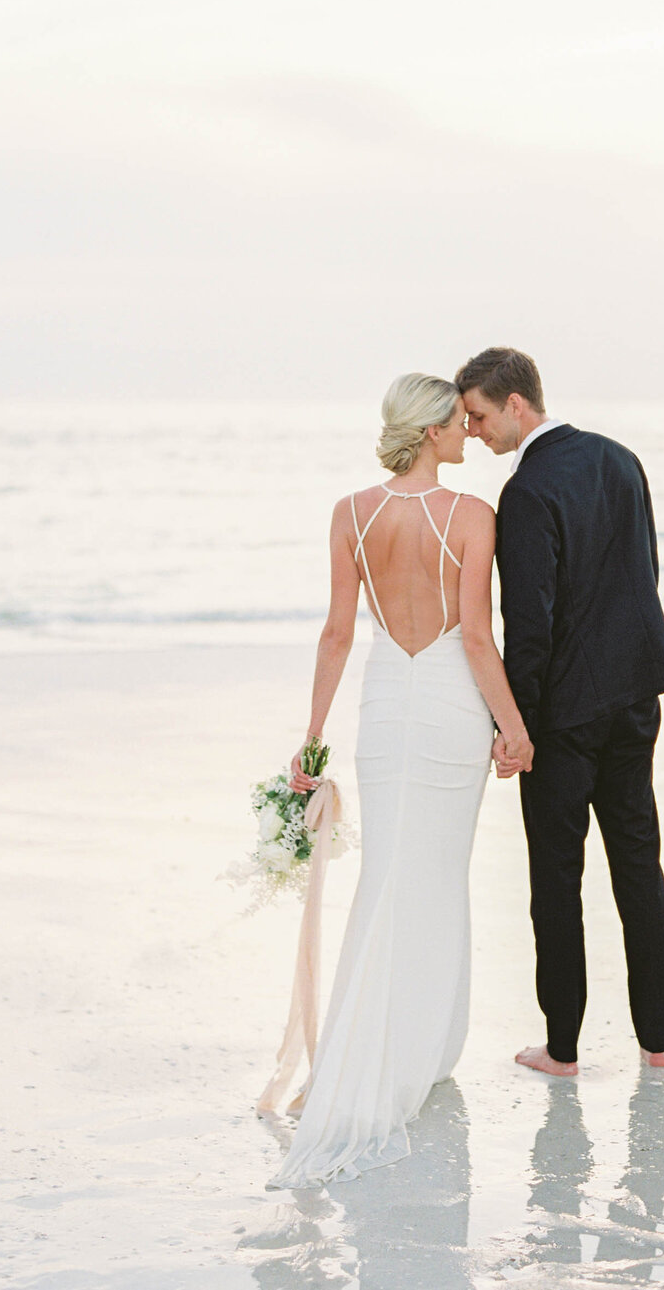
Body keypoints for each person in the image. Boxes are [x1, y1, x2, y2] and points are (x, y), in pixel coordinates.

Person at [268, 373, 532, 1189]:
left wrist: (312, 737)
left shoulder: (351, 512)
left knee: (388, 873)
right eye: (456, 423)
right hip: (452, 702)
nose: (466, 434)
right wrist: (514, 727)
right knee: (436, 877)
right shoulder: (472, 516)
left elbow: (338, 633)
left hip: (386, 703)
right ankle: (421, 1049)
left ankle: (383, 1047)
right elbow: (479, 642)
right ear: (427, 434)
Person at [455, 347, 664, 1075]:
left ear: (516, 404)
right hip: (635, 694)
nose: (477, 431)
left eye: (481, 416)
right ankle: (658, 1042)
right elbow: (643, 571)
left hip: (563, 715)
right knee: (638, 864)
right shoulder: (620, 459)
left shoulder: (526, 492)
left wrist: (511, 727)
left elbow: (531, 624)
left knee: (556, 878)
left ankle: (562, 1048)